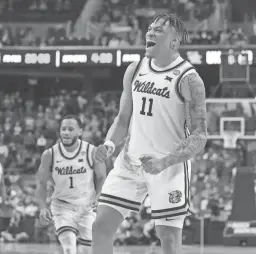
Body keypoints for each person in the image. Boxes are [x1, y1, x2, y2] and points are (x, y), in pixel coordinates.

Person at [92, 13, 208, 254]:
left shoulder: (189, 79)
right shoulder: (135, 69)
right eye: (150, 29)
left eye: (158, 30)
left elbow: (200, 135)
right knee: (101, 225)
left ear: (174, 41)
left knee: (168, 238)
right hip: (130, 162)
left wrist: (164, 162)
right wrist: (109, 145)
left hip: (168, 165)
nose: (149, 33)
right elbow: (122, 119)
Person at [36, 115, 106, 254]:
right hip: (62, 206)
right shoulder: (49, 154)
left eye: (70, 129)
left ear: (80, 131)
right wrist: (43, 207)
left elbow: (102, 177)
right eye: (63, 129)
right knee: (69, 248)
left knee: (88, 251)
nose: (66, 132)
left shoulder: (92, 152)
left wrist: (98, 196)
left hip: (87, 206)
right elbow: (41, 183)